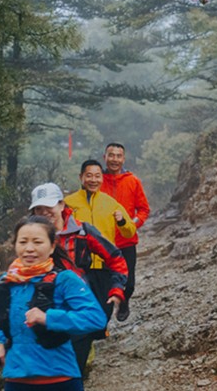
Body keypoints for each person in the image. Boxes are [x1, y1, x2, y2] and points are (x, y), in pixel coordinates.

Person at [0, 215, 106, 391]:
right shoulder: (7, 281)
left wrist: (48, 318)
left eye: (37, 242)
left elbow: (96, 318)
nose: (29, 249)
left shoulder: (65, 279)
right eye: (23, 242)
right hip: (16, 378)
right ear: (15, 245)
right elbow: (6, 317)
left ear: (52, 247)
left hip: (60, 377)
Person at [29, 182, 129, 378]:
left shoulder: (82, 232)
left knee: (73, 367)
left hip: (78, 305)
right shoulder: (29, 237)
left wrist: (117, 289)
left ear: (61, 205)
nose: (43, 212)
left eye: (48, 206)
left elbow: (115, 258)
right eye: (38, 208)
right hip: (42, 306)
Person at [64, 159, 136, 321]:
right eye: (89, 175)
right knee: (80, 308)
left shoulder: (110, 203)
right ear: (81, 177)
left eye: (97, 176)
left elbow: (129, 232)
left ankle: (95, 334)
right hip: (79, 267)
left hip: (105, 267)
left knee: (104, 312)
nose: (93, 180)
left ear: (102, 178)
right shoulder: (69, 203)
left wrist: (122, 221)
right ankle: (85, 342)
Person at [101, 142, 150, 322]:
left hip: (126, 242)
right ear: (104, 157)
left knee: (128, 283)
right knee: (104, 282)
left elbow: (143, 209)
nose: (114, 159)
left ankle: (124, 300)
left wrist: (132, 224)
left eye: (118, 156)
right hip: (102, 242)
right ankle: (102, 318)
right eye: (111, 155)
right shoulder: (97, 180)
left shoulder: (132, 181)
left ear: (123, 158)